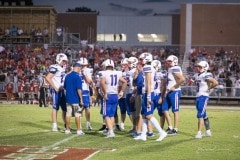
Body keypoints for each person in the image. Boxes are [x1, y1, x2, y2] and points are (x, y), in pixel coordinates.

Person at [134, 52, 167, 142]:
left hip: (149, 93)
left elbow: (149, 83)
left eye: (141, 59)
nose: (140, 61)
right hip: (148, 92)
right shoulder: (148, 67)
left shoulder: (148, 67)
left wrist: (148, 97)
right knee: (144, 115)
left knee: (148, 115)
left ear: (146, 59)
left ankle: (161, 132)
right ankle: (143, 135)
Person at [100, 59, 127, 138]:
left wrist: (105, 93)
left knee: (106, 115)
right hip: (115, 95)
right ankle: (110, 131)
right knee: (112, 115)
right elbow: (125, 82)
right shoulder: (117, 73)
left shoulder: (104, 73)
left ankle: (111, 132)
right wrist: (122, 91)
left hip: (108, 95)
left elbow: (102, 82)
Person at [193, 61, 218, 139]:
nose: (198, 68)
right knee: (204, 114)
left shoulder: (206, 75)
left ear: (204, 68)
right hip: (198, 96)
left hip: (203, 96)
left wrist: (208, 89)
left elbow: (215, 82)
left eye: (200, 67)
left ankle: (199, 133)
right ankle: (208, 131)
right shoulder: (197, 75)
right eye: (198, 66)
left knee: (200, 114)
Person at [161, 55, 185, 136]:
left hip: (175, 92)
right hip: (169, 92)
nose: (167, 62)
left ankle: (175, 129)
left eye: (170, 61)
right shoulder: (169, 69)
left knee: (175, 110)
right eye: (167, 61)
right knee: (164, 109)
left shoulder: (175, 68)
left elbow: (182, 79)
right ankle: (170, 127)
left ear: (175, 61)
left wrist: (174, 87)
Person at [45, 53, 68, 132]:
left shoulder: (62, 68)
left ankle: (66, 125)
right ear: (59, 59)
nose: (64, 62)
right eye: (63, 61)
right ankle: (54, 126)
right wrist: (54, 87)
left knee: (65, 109)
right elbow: (48, 78)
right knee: (55, 108)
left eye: (65, 61)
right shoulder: (55, 67)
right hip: (56, 90)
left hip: (62, 90)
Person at [64, 63, 85, 135]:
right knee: (77, 114)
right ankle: (79, 130)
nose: (80, 70)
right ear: (78, 68)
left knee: (68, 114)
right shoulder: (77, 77)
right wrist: (81, 99)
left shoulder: (67, 76)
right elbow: (79, 89)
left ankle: (67, 129)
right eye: (80, 69)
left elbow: (65, 87)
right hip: (75, 99)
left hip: (68, 98)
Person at [78, 57, 93, 130]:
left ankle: (88, 124)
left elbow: (89, 81)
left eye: (84, 65)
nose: (83, 67)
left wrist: (84, 74)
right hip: (78, 90)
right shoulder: (75, 70)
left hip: (85, 90)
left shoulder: (88, 70)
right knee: (79, 108)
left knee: (87, 107)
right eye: (82, 65)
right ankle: (79, 125)